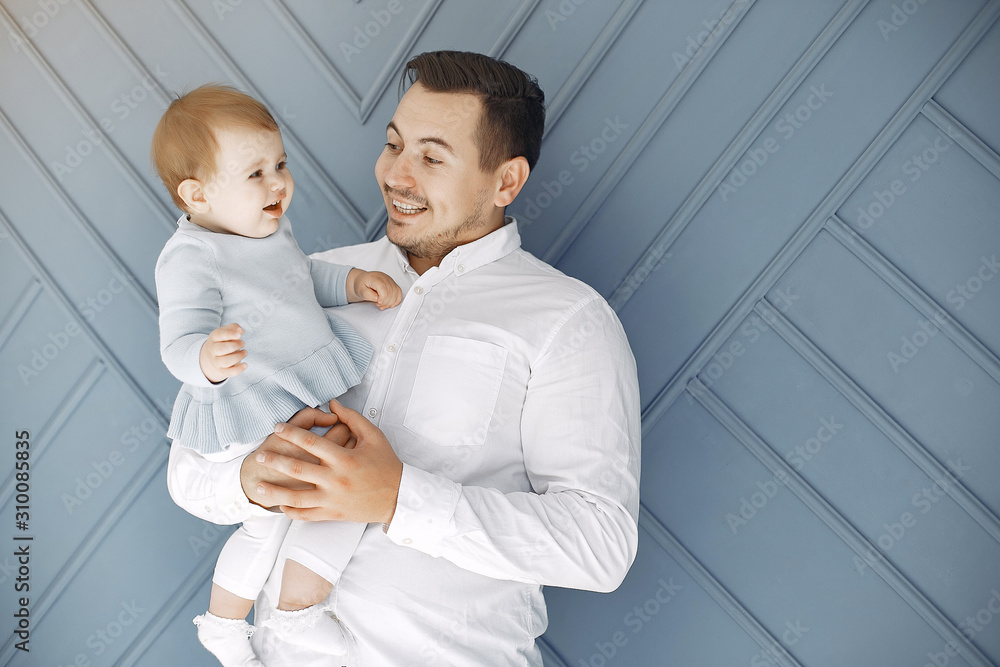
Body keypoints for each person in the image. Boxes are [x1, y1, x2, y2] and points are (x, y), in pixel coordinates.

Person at [167, 51, 641, 666]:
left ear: (506, 181)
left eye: (432, 157)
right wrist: (246, 480)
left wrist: (398, 499)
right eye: (394, 145)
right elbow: (188, 472)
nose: (397, 175)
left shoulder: (569, 321)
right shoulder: (301, 282)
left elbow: (599, 548)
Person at [152, 84, 402, 666]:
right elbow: (177, 343)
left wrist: (349, 283)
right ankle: (224, 625)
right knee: (269, 523)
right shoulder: (192, 257)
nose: (277, 184)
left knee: (335, 496)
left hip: (295, 396)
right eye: (255, 173)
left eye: (281, 165)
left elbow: (297, 281)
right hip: (250, 405)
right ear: (198, 194)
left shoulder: (267, 228)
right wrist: (204, 360)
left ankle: (295, 612)